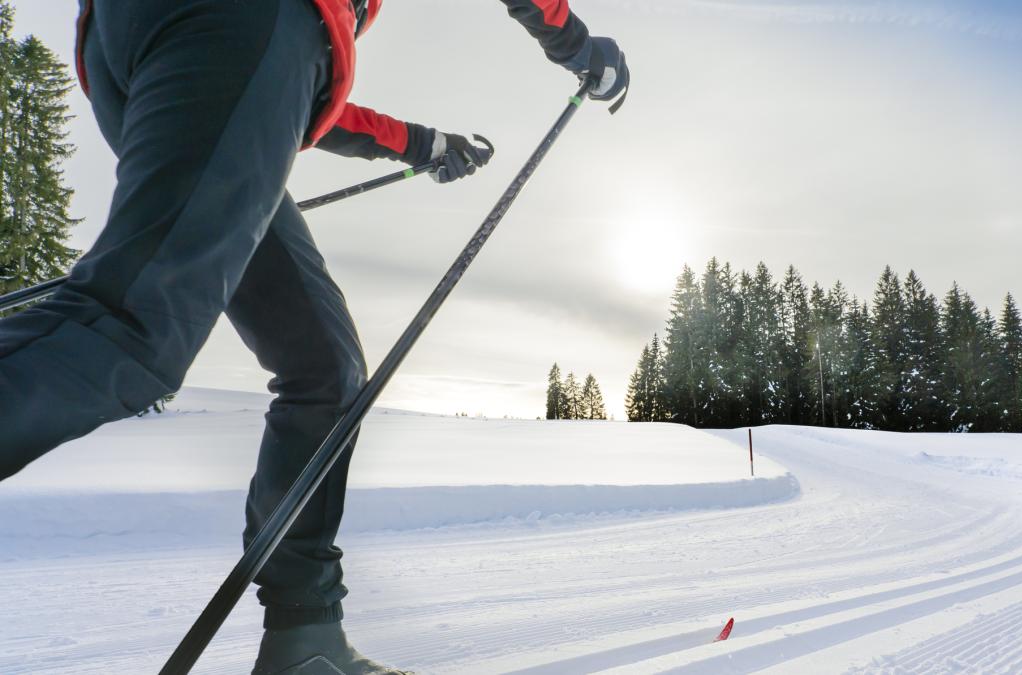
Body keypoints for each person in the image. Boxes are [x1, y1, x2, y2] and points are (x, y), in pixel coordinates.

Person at [0, 0, 628, 672]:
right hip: (235, 26)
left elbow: (278, 96)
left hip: (133, 49)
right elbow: (267, 56)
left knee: (325, 368)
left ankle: (306, 640)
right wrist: (576, 45)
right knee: (133, 325)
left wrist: (424, 144)